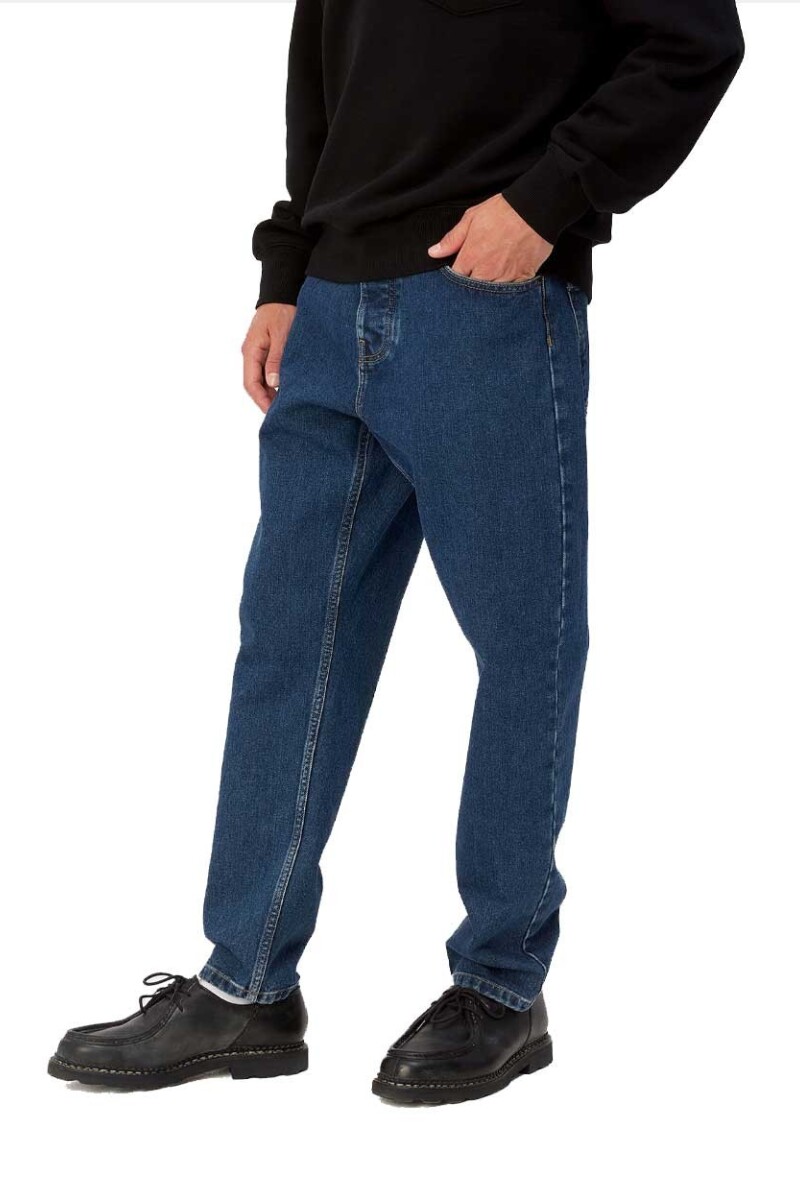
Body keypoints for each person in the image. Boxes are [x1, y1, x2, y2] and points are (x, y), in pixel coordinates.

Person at [48, 0, 744, 1103]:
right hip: (330, 307)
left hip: (487, 304)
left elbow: (694, 41)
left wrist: (545, 201)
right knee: (288, 647)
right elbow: (320, 80)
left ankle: (502, 986)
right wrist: (288, 273)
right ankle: (245, 986)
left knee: (522, 649)